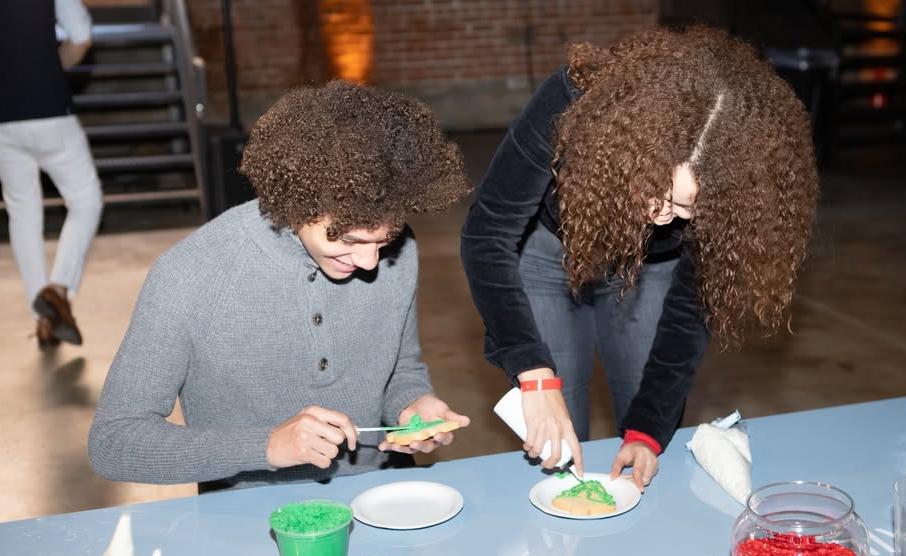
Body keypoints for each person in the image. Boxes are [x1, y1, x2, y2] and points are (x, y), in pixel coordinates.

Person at [460, 25, 819, 490]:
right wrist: (534, 373)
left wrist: (647, 430)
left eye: (689, 210)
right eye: (661, 192)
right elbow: (487, 234)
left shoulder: (729, 189)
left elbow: (687, 314)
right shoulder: (575, 99)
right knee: (558, 430)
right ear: (641, 146)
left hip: (651, 270)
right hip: (549, 252)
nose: (663, 217)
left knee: (648, 418)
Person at [88, 81, 472, 491]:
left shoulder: (400, 250)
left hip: (381, 494)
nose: (370, 261)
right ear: (299, 200)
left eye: (383, 240)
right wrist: (266, 446)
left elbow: (401, 367)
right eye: (350, 241)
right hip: (249, 514)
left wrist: (412, 405)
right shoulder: (191, 274)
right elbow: (114, 441)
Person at [0, 0, 104, 348]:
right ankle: (57, 290)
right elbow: (81, 37)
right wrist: (47, 70)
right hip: (48, 108)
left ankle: (44, 319)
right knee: (86, 200)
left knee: (23, 210)